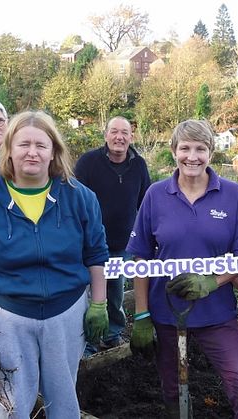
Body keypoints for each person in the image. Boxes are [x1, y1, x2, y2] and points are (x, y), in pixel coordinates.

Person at [0, 110, 109, 419]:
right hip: (5, 317)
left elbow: (96, 254)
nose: (32, 152)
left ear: (54, 153)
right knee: (10, 402)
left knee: (63, 399)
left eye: (41, 145)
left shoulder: (80, 198)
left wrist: (99, 303)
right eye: (23, 144)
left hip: (66, 312)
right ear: (8, 149)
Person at [127, 119, 238, 418]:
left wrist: (213, 282)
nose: (192, 156)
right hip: (167, 312)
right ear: (174, 151)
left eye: (200, 149)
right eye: (185, 148)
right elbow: (141, 257)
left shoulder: (233, 195)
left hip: (216, 312)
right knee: (174, 389)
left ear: (210, 153)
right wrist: (141, 314)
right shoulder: (156, 195)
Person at [75, 116, 150, 352]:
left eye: (124, 133)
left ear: (131, 137)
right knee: (85, 294)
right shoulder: (88, 163)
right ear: (105, 135)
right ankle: (86, 341)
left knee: (115, 291)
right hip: (88, 243)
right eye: (114, 132)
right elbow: (75, 200)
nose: (119, 137)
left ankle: (112, 334)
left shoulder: (138, 165)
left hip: (121, 243)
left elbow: (146, 202)